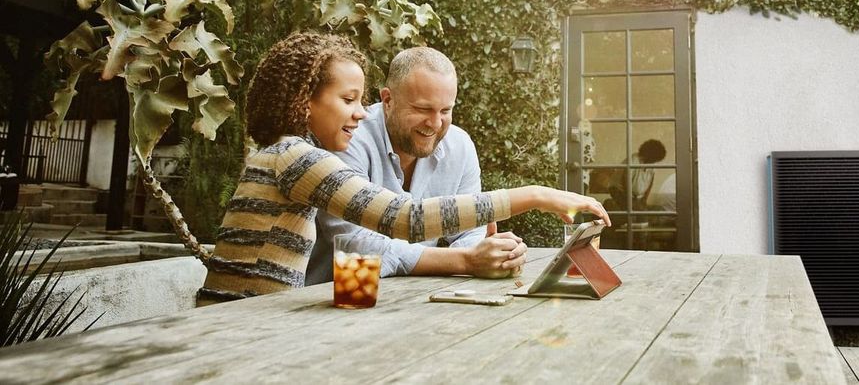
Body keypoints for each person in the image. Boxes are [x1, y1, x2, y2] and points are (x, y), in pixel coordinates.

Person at [197, 33, 608, 303]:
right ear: (305, 101)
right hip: (238, 326)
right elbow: (401, 219)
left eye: (360, 101)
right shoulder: (298, 159)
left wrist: (485, 255)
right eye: (348, 100)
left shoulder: (292, 154)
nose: (360, 114)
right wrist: (535, 195)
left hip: (271, 316)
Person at [307, 47, 526, 283]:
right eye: (423, 109)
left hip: (415, 298)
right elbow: (353, 241)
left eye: (445, 110)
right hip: (334, 303)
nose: (435, 123)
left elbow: (471, 231)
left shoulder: (459, 145)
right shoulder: (347, 138)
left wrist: (495, 256)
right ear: (388, 100)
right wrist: (465, 261)